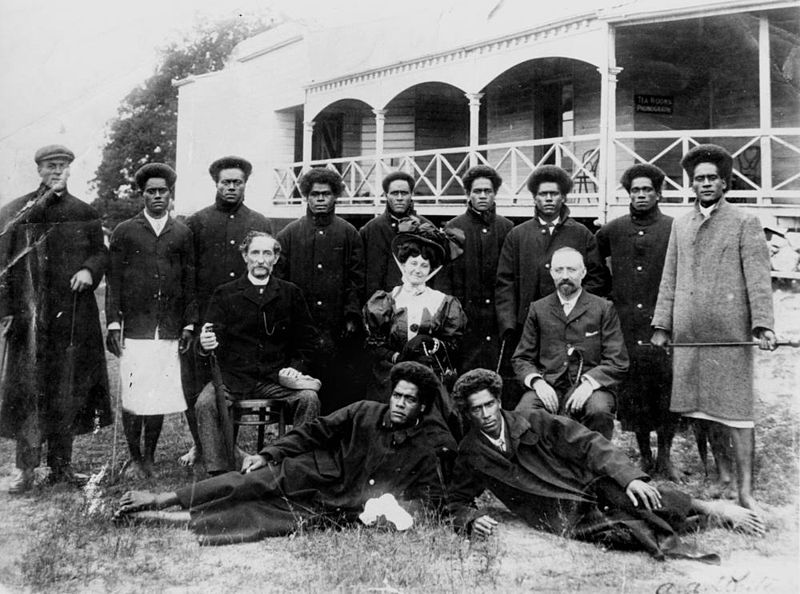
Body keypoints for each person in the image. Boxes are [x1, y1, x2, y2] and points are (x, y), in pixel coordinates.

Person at [115, 362, 456, 545]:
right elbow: (313, 431)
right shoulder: (364, 411)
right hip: (318, 471)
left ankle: (163, 520)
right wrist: (269, 454)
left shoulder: (428, 446)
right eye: (397, 395)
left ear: (422, 406)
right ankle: (160, 499)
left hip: (343, 505)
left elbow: (430, 499)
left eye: (409, 400)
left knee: (265, 518)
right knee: (247, 483)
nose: (399, 404)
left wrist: (395, 511)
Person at [447, 369, 765, 561]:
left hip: (586, 483)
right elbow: (456, 501)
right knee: (626, 536)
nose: (486, 414)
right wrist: (472, 518)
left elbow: (589, 443)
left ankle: (713, 509)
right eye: (477, 410)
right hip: (557, 513)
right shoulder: (471, 453)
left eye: (490, 404)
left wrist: (629, 477)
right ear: (467, 413)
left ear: (499, 402)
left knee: (640, 498)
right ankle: (705, 524)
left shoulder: (533, 420)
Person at [651, 144, 777, 514]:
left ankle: (745, 490)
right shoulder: (681, 223)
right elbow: (669, 276)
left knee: (736, 413)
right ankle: (721, 477)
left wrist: (763, 324)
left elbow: (758, 278)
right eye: (698, 179)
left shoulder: (744, 221)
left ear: (724, 183)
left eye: (711, 178)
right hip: (690, 335)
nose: (704, 184)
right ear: (692, 185)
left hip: (729, 335)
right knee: (704, 412)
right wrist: (662, 324)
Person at [0, 144, 111, 493]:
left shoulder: (85, 211)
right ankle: (25, 470)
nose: (57, 171)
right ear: (39, 170)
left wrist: (90, 270)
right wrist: (5, 312)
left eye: (63, 165)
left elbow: (101, 251)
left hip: (72, 320)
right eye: (51, 165)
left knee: (68, 390)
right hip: (28, 321)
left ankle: (61, 467)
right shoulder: (16, 212)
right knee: (29, 391)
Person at [194, 231, 320, 475]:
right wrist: (205, 342)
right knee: (205, 403)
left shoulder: (290, 293)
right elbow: (209, 338)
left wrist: (296, 366)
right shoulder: (225, 293)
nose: (261, 260)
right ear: (245, 256)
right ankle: (219, 472)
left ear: (275, 258)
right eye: (255, 253)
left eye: (267, 253)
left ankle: (295, 466)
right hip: (234, 378)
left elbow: (309, 340)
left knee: (308, 399)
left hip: (275, 378)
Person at [105, 163, 197, 479]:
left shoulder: (182, 233)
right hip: (136, 327)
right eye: (151, 191)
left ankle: (149, 456)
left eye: (162, 191)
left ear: (170, 194)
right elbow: (113, 281)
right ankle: (133, 457)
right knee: (134, 393)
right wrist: (114, 324)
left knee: (157, 392)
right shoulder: (125, 231)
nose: (157, 196)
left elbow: (190, 282)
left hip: (168, 327)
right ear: (142, 194)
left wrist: (188, 325)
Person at [180, 156, 273, 466]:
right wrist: (192, 321)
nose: (231, 187)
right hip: (206, 318)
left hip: (242, 322)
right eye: (226, 182)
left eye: (237, 182)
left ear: (245, 184)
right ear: (216, 184)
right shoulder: (197, 222)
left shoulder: (259, 222)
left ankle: (229, 448)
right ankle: (200, 445)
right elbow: (188, 275)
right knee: (197, 385)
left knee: (230, 385)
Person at [595, 163, 678, 479]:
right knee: (636, 391)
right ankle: (644, 455)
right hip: (627, 325)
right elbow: (594, 264)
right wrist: (606, 298)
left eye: (647, 190)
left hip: (662, 324)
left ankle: (665, 457)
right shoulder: (613, 230)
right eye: (635, 190)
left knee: (666, 389)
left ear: (658, 193)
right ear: (628, 194)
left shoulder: (674, 228)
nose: (641, 195)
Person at [510, 247, 627, 440]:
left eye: (571, 270)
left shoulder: (603, 308)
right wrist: (538, 382)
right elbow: (522, 358)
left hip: (592, 387)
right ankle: (540, 467)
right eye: (559, 270)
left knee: (598, 411)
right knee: (524, 412)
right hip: (550, 384)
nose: (565, 276)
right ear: (551, 273)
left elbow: (618, 361)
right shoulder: (538, 309)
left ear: (583, 272)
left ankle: (593, 468)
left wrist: (589, 385)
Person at [363, 216, 466, 434]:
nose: (418, 270)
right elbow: (374, 346)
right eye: (413, 263)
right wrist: (398, 358)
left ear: (432, 269)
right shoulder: (385, 301)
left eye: (424, 265)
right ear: (403, 264)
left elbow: (454, 345)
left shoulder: (443, 302)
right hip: (390, 377)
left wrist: (430, 343)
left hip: (430, 376)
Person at [276, 168, 365, 411]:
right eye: (315, 194)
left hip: (336, 327)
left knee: (336, 386)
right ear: (307, 196)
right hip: (300, 328)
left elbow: (356, 280)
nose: (321, 199)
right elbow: (279, 282)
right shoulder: (289, 234)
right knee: (303, 388)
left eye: (326, 194)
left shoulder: (349, 233)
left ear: (335, 196)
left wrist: (351, 315)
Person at [495, 164, 609, 352]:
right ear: (534, 198)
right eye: (542, 194)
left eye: (554, 194)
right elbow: (504, 283)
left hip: (570, 324)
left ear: (563, 197)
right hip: (527, 325)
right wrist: (509, 324)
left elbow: (597, 278)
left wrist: (575, 309)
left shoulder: (581, 234)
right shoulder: (517, 235)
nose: (548, 198)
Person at [440, 166, 513, 372]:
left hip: (497, 318)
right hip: (466, 318)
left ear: (495, 193)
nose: (482, 196)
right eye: (477, 191)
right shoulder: (454, 228)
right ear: (468, 194)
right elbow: (446, 277)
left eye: (487, 191)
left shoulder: (507, 228)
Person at [360, 171, 435, 297]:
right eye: (394, 193)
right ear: (386, 195)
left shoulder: (426, 228)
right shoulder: (370, 230)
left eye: (404, 193)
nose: (399, 198)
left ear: (411, 195)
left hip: (416, 302)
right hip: (379, 304)